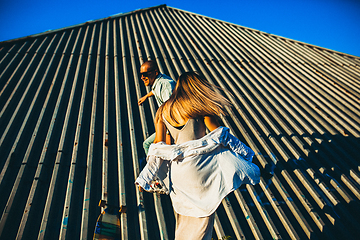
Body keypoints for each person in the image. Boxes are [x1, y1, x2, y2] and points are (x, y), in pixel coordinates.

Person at [135, 72, 261, 240]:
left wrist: (145, 177)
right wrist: (246, 153)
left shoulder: (163, 110)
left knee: (184, 220)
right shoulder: (200, 107)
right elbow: (221, 136)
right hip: (200, 170)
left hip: (178, 173)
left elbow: (158, 148)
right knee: (202, 223)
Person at [138, 60, 176, 155]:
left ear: (155, 72)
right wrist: (146, 96)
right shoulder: (160, 80)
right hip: (168, 125)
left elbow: (172, 110)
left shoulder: (164, 85)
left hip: (172, 126)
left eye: (145, 74)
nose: (142, 77)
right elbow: (156, 90)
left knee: (148, 145)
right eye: (141, 74)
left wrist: (168, 134)